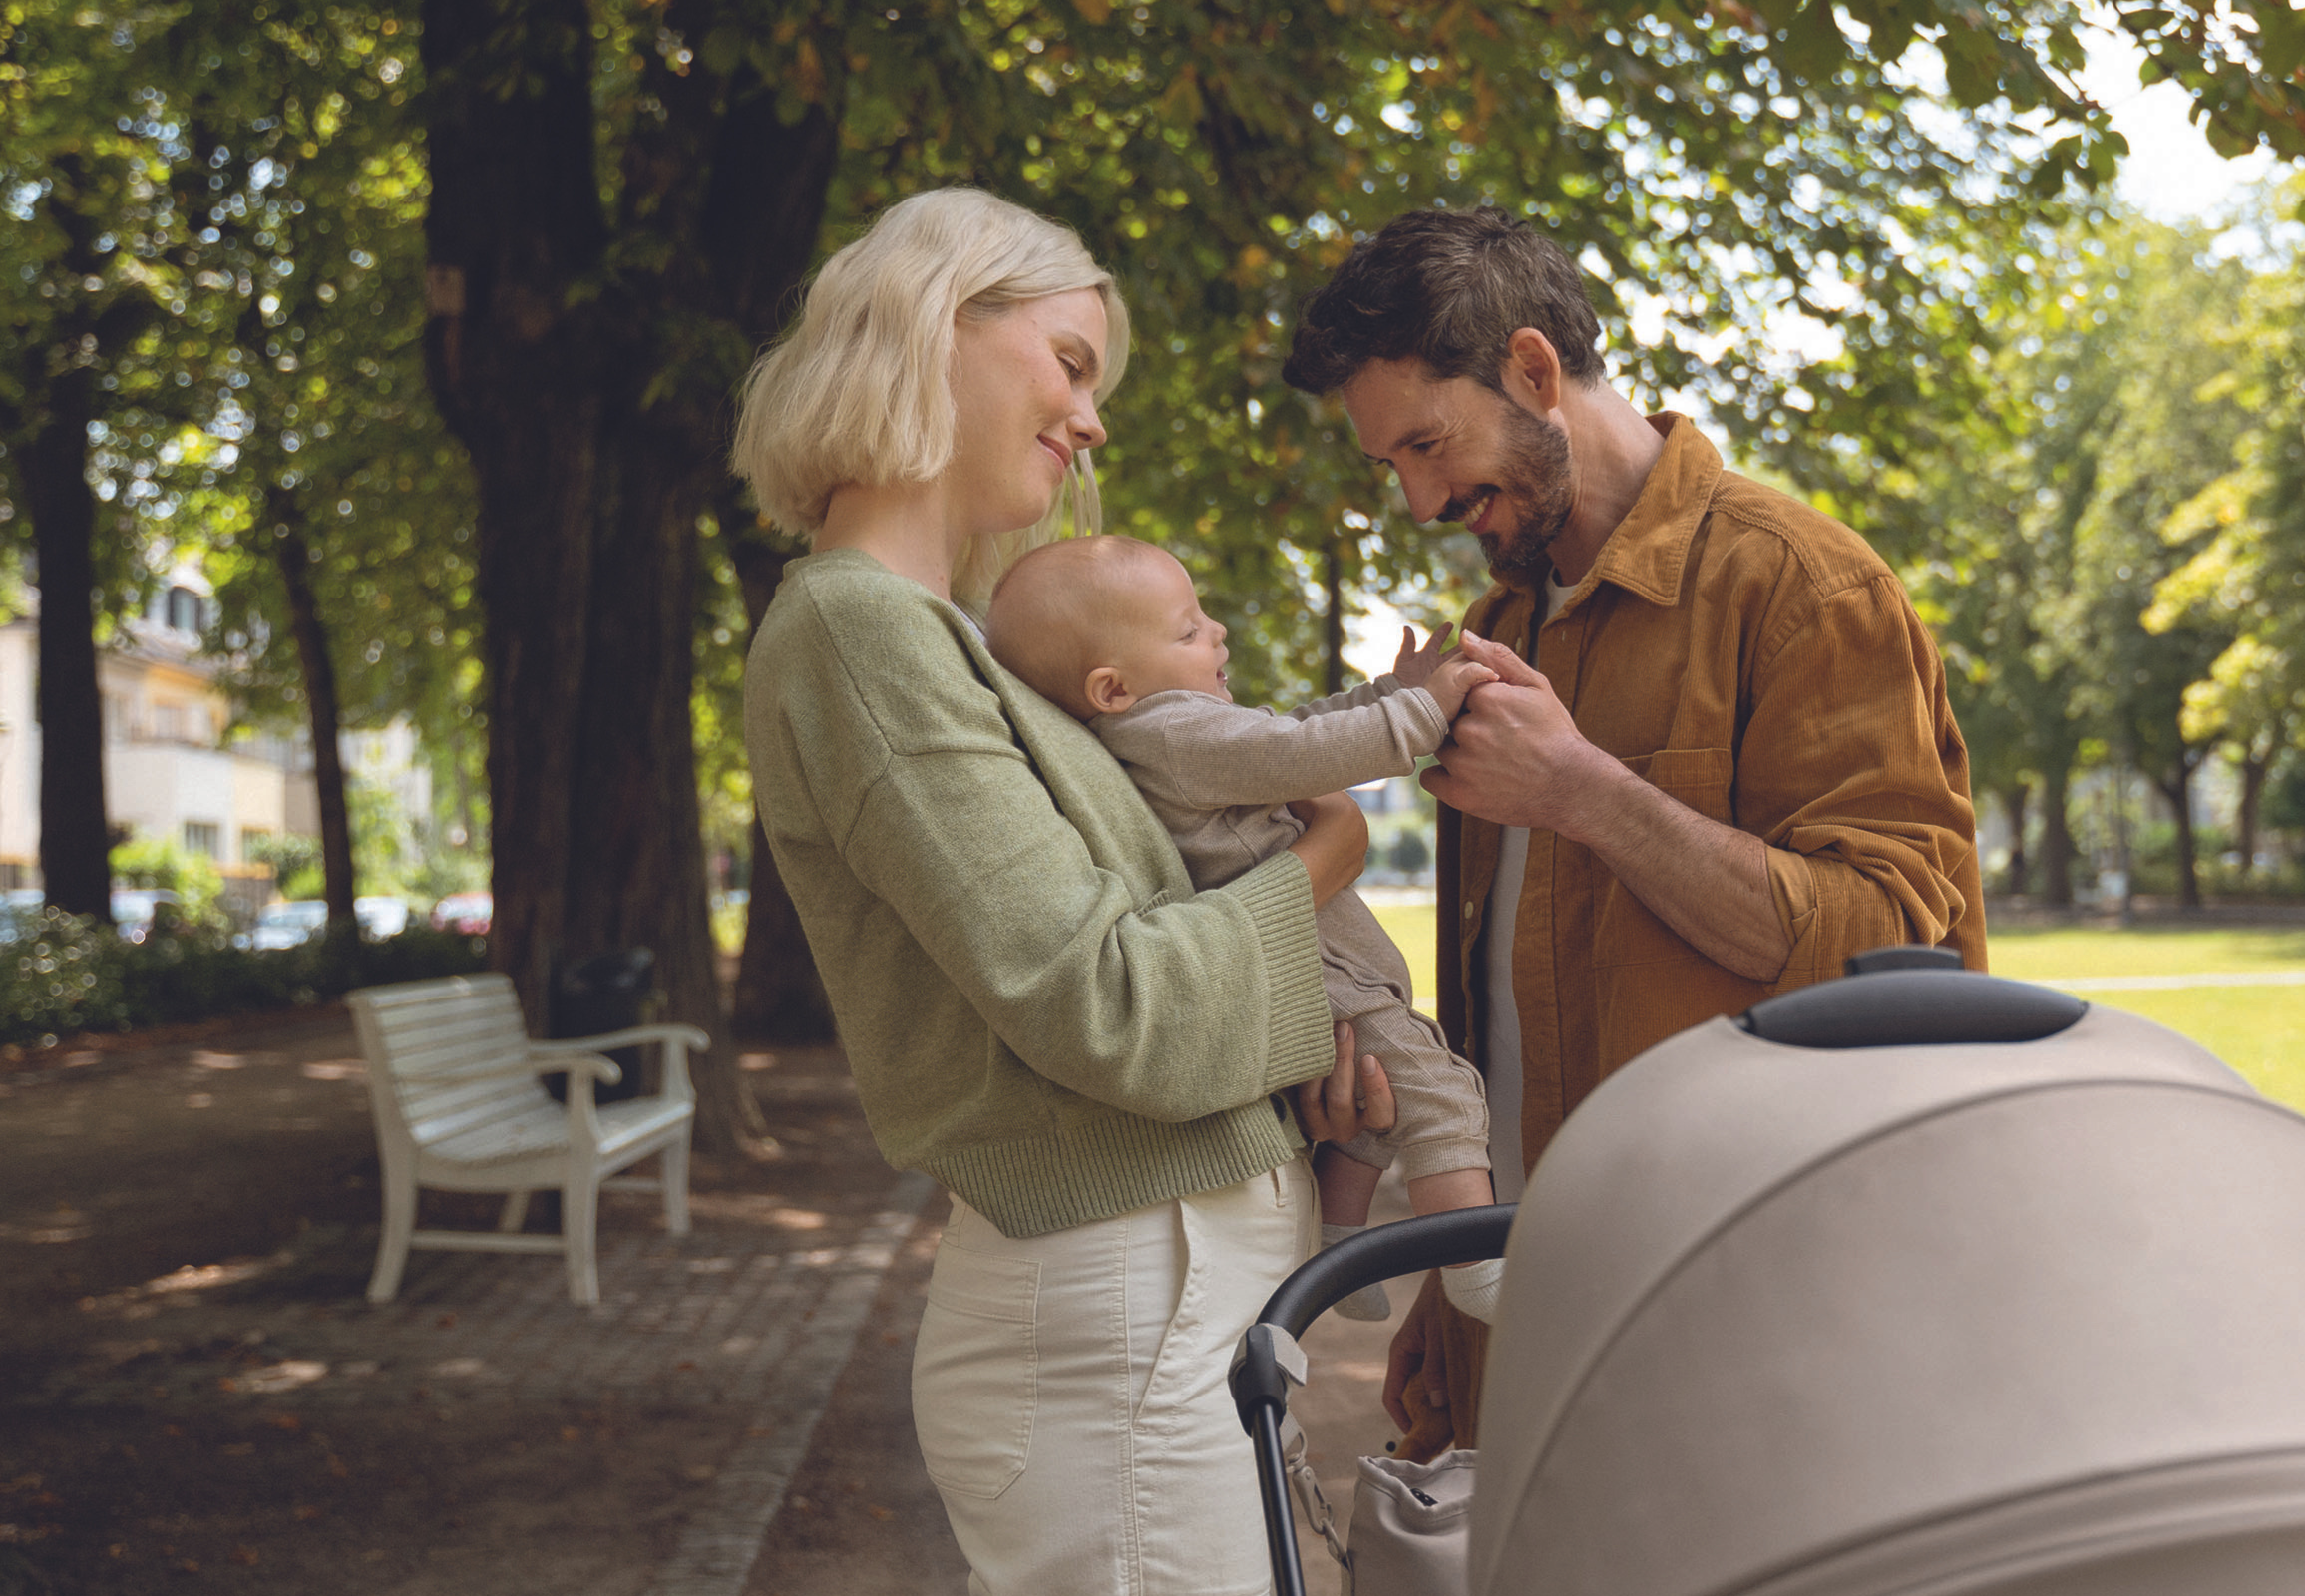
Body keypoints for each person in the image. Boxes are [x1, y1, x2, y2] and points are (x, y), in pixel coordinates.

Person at [733, 187, 1389, 1596]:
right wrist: (1320, 863)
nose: (1092, 420)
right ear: (936, 325)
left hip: (1161, 1322)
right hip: (1119, 1333)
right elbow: (1109, 1008)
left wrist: (1302, 1051)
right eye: (1072, 364)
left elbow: (1138, 946)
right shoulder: (858, 635)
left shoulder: (949, 644)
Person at [1281, 206, 1991, 1458]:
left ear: (1533, 371)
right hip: (1523, 1307)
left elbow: (1888, 951)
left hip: (1745, 1324)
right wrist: (1451, 1305)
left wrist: (1583, 791)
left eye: (1428, 445)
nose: (1420, 497)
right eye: (1390, 464)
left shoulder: (1801, 587)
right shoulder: (1500, 620)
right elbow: (1509, 1017)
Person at [983, 534, 1505, 1321]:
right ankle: (1482, 1280)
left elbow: (1287, 735)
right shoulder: (1174, 734)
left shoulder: (1163, 741)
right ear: (1114, 688)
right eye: (1188, 630)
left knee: (1374, 1107)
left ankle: (1342, 1253)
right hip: (1319, 966)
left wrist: (1384, 693)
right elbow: (1298, 750)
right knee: (1445, 1100)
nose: (1217, 633)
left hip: (1306, 969)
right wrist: (1426, 712)